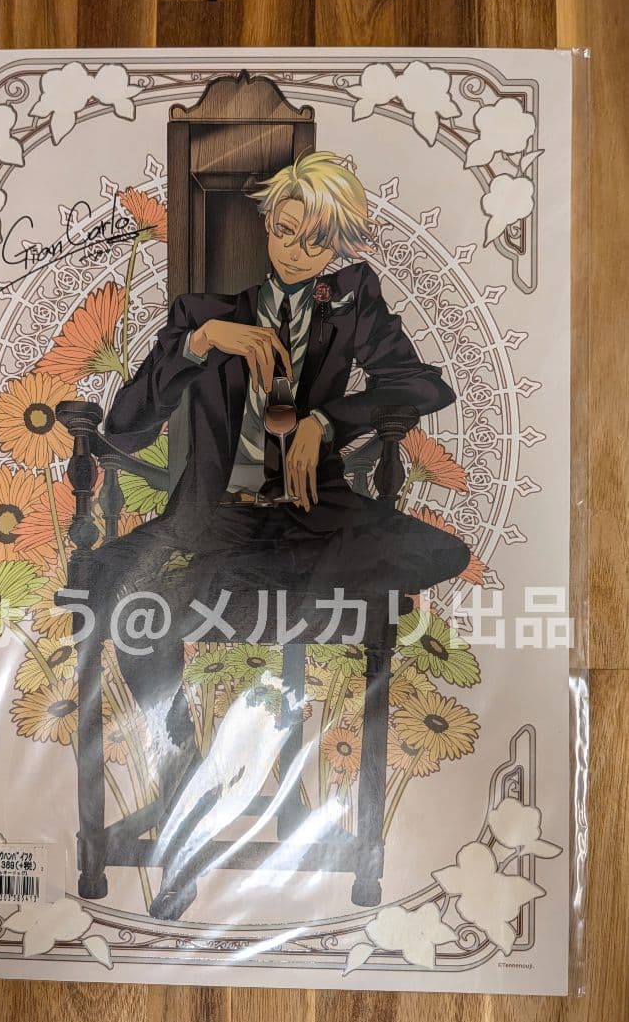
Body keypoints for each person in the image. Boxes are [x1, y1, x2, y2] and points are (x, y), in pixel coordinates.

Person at [97, 151, 469, 710]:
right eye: (286, 232)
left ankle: (267, 578)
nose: (297, 253)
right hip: (217, 517)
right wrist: (200, 344)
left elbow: (425, 386)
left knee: (444, 552)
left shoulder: (348, 305)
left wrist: (326, 421)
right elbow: (125, 427)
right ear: (267, 223)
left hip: (314, 516)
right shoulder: (205, 315)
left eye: (317, 242)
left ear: (339, 245)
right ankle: (175, 749)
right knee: (122, 598)